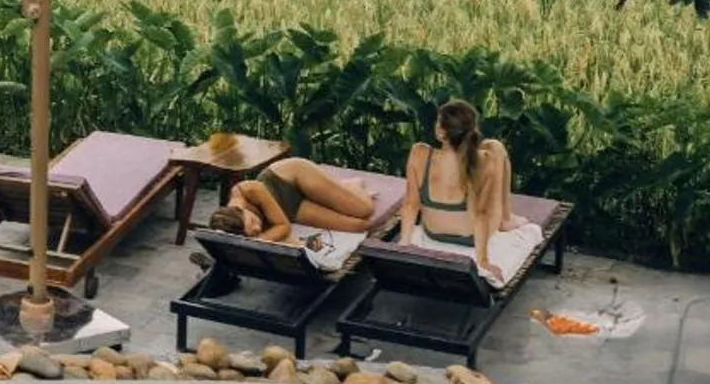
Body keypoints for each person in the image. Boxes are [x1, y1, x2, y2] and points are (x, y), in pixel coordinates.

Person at [396, 99, 512, 269]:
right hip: (471, 237)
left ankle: (507, 219)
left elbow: (410, 204)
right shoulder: (485, 160)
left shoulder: (419, 153)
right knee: (496, 147)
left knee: (489, 149)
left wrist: (404, 242)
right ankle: (506, 219)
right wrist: (483, 261)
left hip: (434, 232)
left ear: (441, 132)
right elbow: (481, 214)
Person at [209, 158, 385, 243]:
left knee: (365, 210)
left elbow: (283, 227)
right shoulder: (233, 225)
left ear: (240, 209)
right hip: (290, 208)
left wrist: (259, 239)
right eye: (253, 232)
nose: (257, 228)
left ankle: (353, 185)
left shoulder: (249, 189)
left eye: (253, 221)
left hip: (291, 178)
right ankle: (335, 192)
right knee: (360, 226)